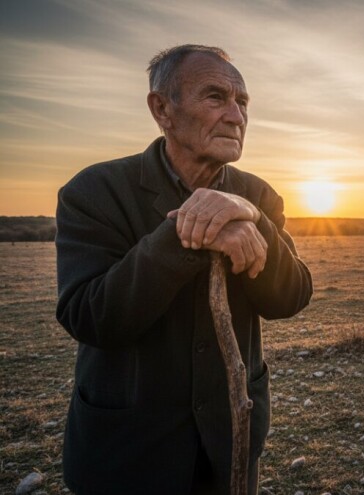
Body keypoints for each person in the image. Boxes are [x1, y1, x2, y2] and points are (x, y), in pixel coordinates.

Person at [55, 44, 312, 494]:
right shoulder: (94, 191)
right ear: (162, 109)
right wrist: (189, 233)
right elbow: (90, 317)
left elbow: (290, 298)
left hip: (229, 442)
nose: (236, 115)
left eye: (243, 102)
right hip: (127, 452)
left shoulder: (258, 196)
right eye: (215, 97)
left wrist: (247, 215)